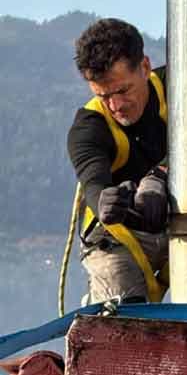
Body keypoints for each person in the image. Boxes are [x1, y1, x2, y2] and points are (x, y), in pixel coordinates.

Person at [67, 18, 169, 303]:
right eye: (103, 96)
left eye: (123, 90)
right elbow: (93, 183)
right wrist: (105, 203)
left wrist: (159, 175)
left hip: (186, 223)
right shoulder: (88, 128)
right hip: (117, 239)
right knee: (126, 325)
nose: (116, 106)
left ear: (145, 67)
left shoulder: (184, 91)